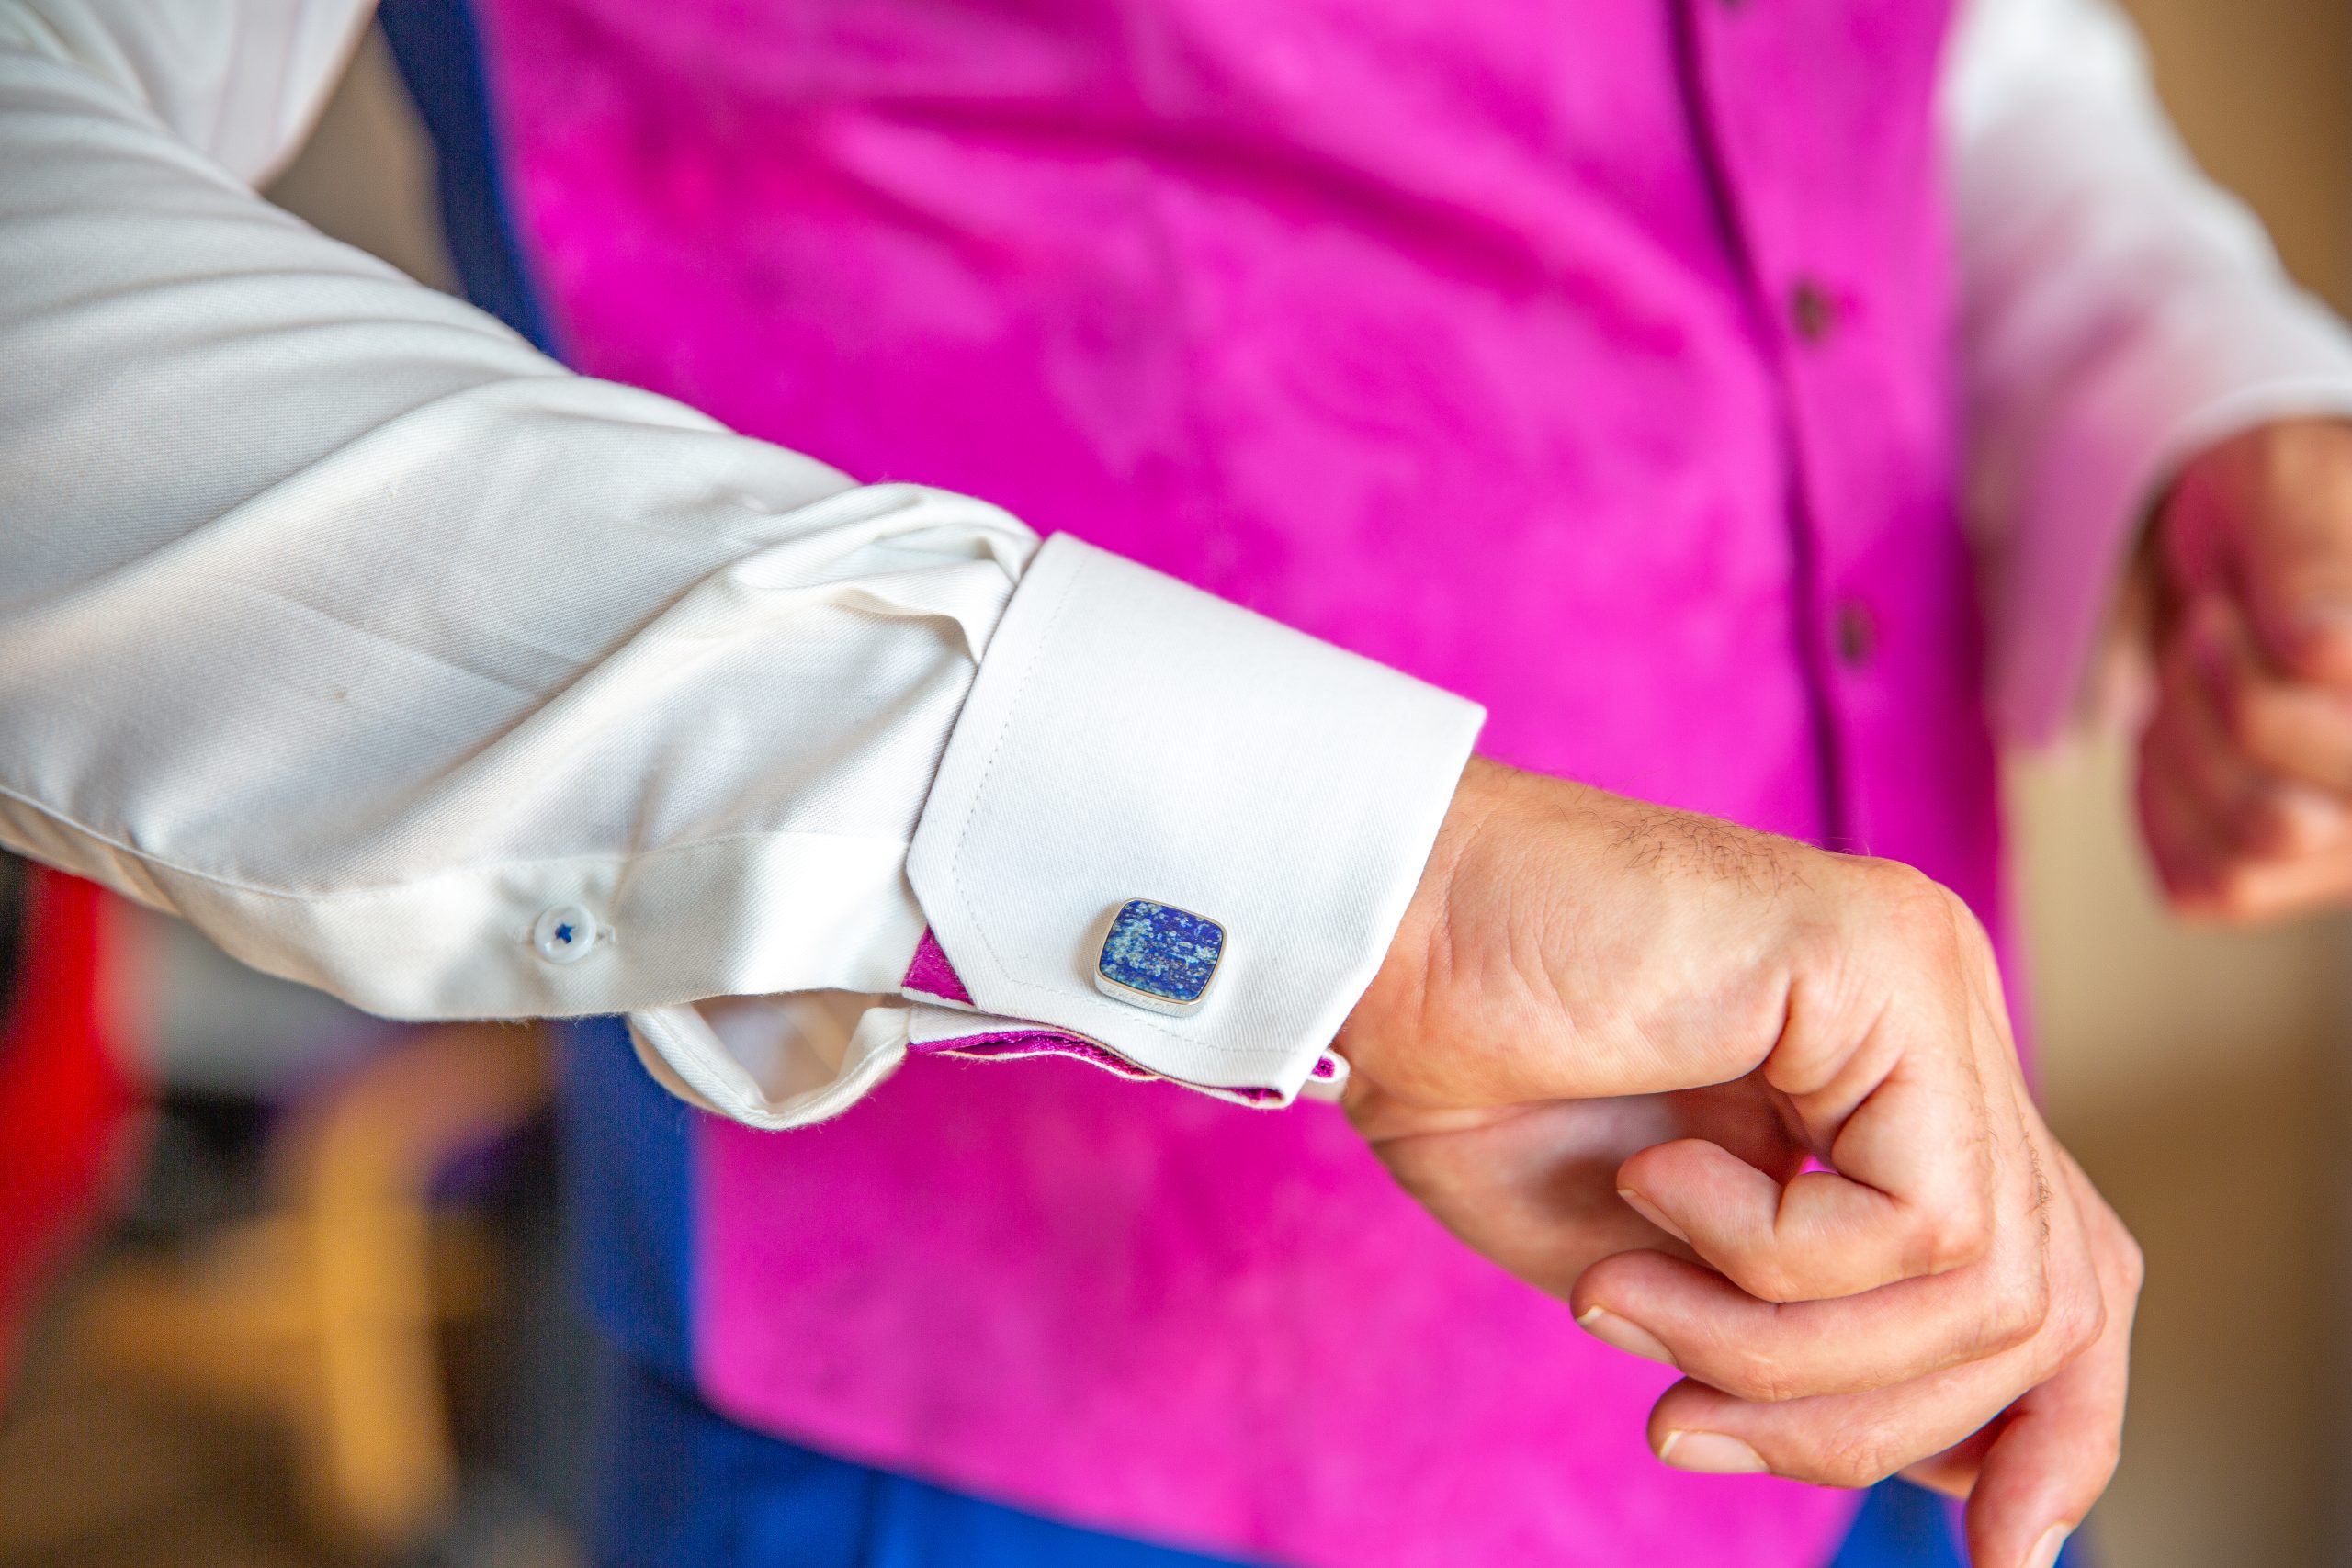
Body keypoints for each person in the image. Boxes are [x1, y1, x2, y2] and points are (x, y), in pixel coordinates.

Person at [5, 0, 2348, 1562]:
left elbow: (1926, 59)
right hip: (1012, 1448)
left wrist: (2192, 384)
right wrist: (1365, 890)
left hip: (1910, 1347)